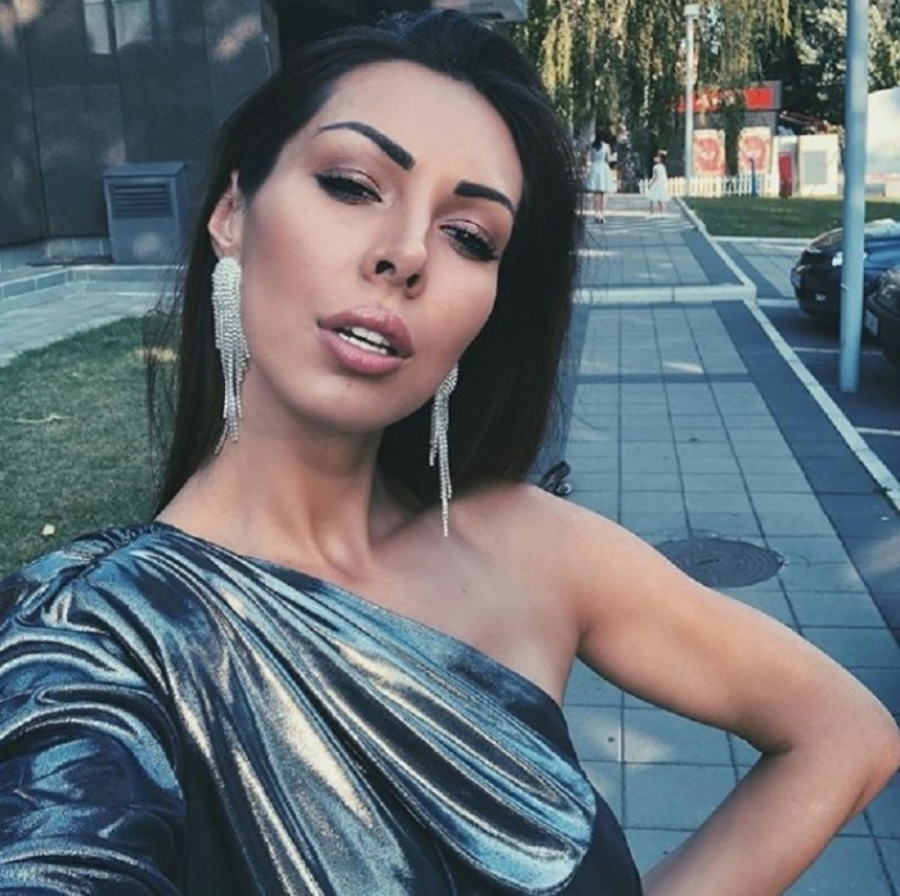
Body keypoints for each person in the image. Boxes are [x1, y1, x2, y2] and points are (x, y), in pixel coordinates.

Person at [0, 10, 897, 895]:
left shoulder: (529, 546)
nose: (405, 255)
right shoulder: (87, 644)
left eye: (470, 236)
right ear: (233, 213)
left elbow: (846, 732)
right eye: (351, 184)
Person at [585, 128, 614, 223]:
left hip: (595, 167)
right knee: (603, 193)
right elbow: (609, 159)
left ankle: (596, 213)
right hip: (603, 168)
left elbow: (588, 159)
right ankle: (602, 214)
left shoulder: (592, 146)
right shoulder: (606, 146)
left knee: (596, 193)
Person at [647, 149, 669, 215]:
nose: (655, 158)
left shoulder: (656, 167)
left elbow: (655, 177)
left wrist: (651, 184)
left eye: (657, 157)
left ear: (660, 159)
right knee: (660, 198)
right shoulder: (663, 167)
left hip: (656, 184)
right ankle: (663, 211)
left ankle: (652, 212)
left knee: (652, 198)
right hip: (661, 184)